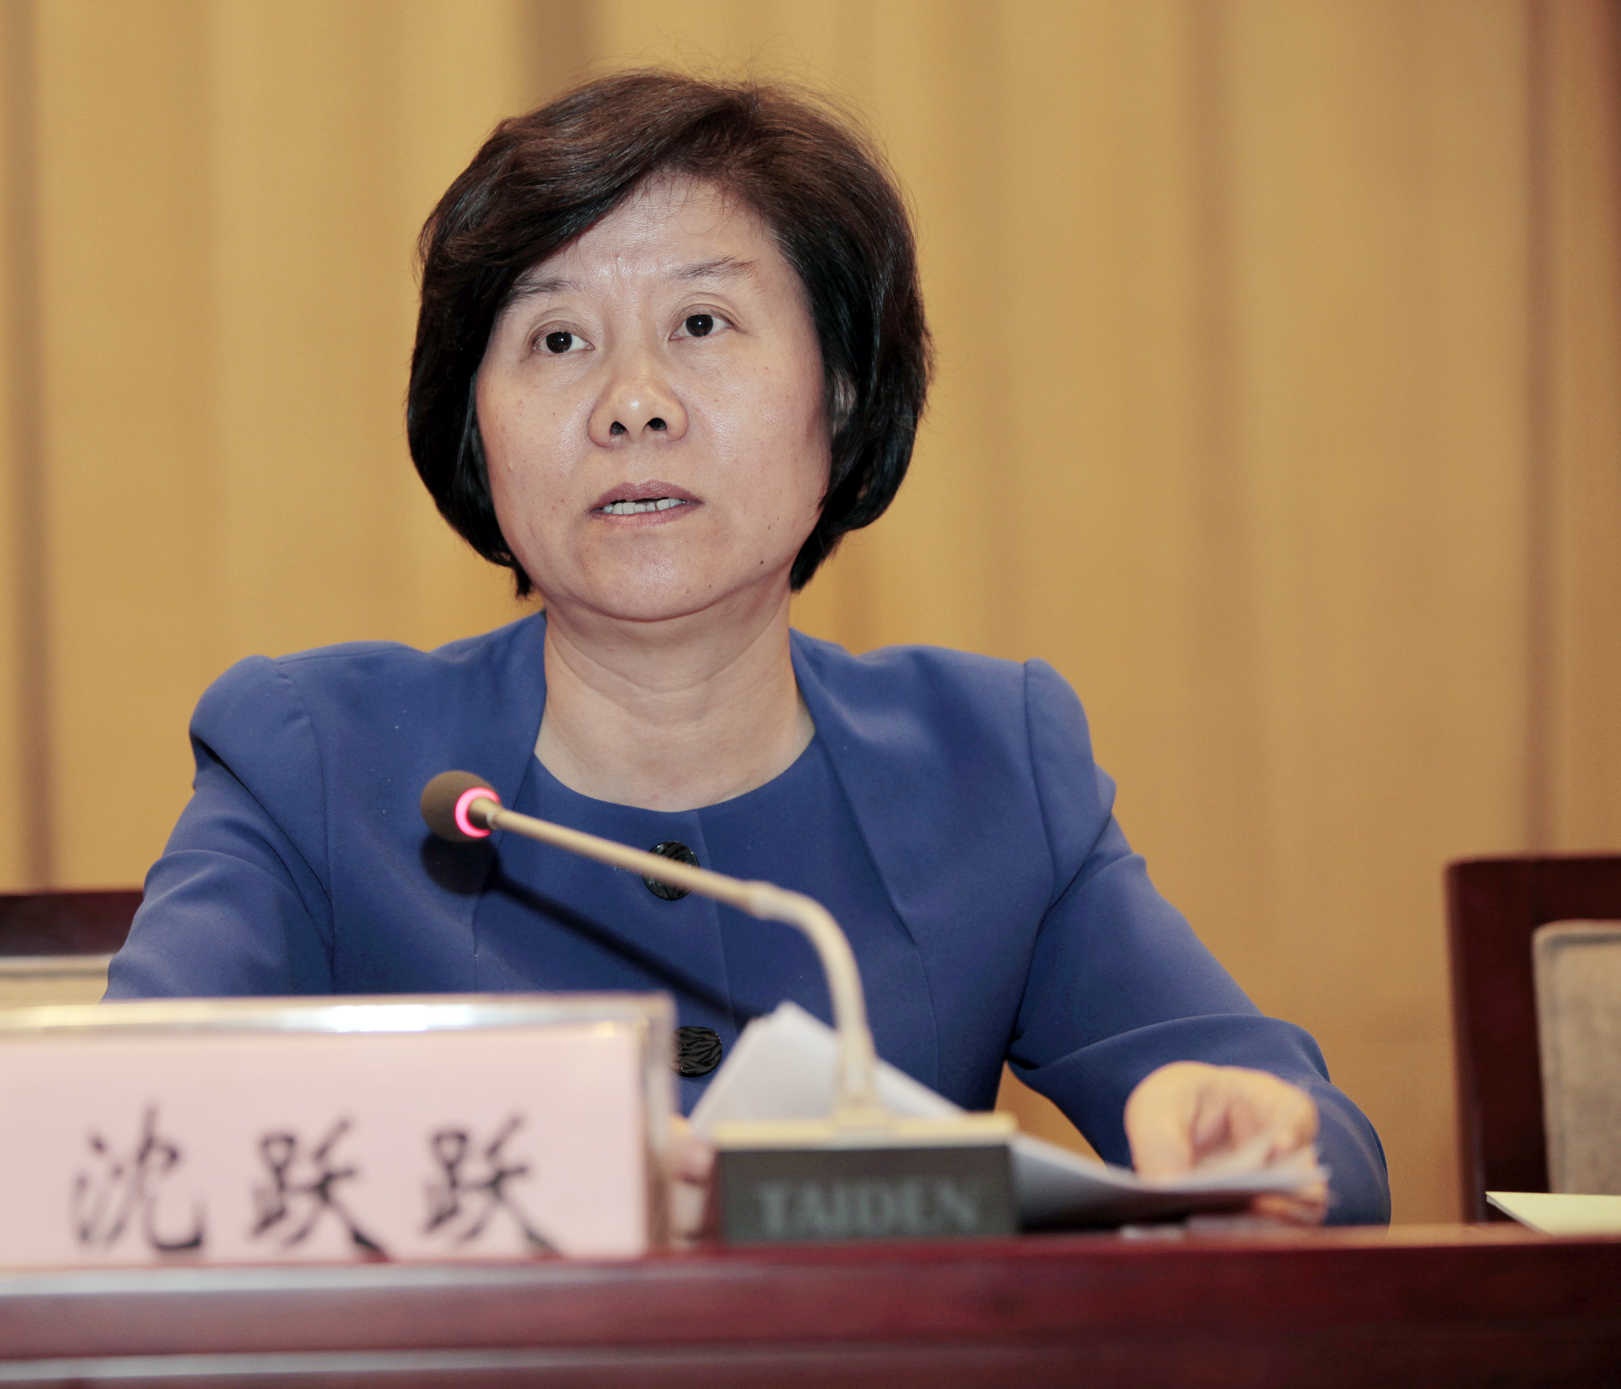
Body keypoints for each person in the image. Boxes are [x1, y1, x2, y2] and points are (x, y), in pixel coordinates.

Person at [106, 70, 1390, 1225]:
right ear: (475, 433)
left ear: (842, 392)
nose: (633, 403)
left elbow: (1319, 1152)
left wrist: (1241, 1132)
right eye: (557, 340)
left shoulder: (991, 765)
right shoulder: (317, 762)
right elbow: (113, 1142)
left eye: (703, 325)